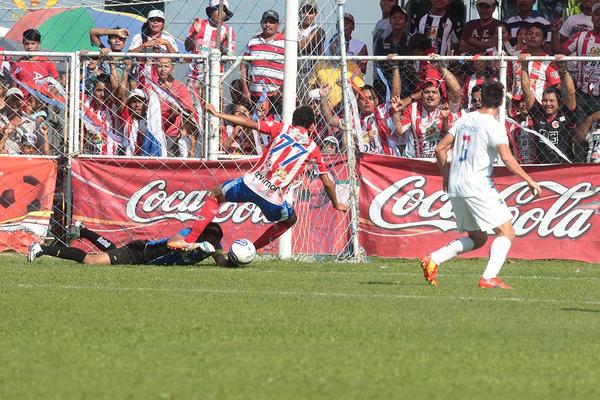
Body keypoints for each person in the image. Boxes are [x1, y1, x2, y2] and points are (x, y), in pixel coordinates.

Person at [168, 104, 349, 251]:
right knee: (291, 219)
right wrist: (335, 204)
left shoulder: (282, 128)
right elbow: (327, 183)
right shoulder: (313, 148)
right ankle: (251, 249)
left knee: (215, 195)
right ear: (311, 127)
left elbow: (248, 123)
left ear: (292, 121)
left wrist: (217, 114)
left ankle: (190, 239)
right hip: (273, 199)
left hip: (250, 184)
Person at [420, 81, 541, 288]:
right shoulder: (493, 126)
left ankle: (434, 259)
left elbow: (440, 149)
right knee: (506, 232)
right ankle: (489, 277)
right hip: (477, 185)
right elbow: (507, 158)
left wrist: (446, 177)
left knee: (478, 238)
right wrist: (529, 180)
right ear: (502, 102)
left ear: (481, 98)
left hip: (457, 185)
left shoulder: (465, 119)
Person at [27, 221, 229, 267]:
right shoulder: (191, 235)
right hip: (140, 253)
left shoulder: (213, 244)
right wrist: (193, 246)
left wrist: (233, 261)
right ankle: (41, 248)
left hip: (142, 258)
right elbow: (174, 243)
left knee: (112, 251)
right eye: (207, 241)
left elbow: (221, 260)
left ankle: (83, 230)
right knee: (91, 261)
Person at [520, 54, 577, 164]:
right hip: (542, 167)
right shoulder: (538, 114)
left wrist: (563, 70)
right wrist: (524, 66)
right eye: (545, 100)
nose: (547, 104)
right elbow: (526, 92)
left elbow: (571, 93)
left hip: (564, 166)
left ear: (559, 103)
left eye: (551, 101)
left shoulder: (566, 114)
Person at [240, 10, 285, 116]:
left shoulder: (284, 42)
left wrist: (282, 90)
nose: (268, 25)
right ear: (261, 23)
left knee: (274, 127)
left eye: (272, 22)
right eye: (265, 21)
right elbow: (243, 66)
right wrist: (245, 89)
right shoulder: (253, 41)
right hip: (255, 94)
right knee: (254, 126)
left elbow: (290, 69)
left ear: (278, 25)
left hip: (275, 95)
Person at [185, 0, 236, 86]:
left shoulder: (228, 31)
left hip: (216, 78)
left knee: (215, 99)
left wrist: (222, 42)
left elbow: (227, 56)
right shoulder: (199, 25)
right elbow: (187, 47)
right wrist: (195, 34)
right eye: (218, 9)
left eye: (224, 10)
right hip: (195, 76)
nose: (221, 13)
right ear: (211, 11)